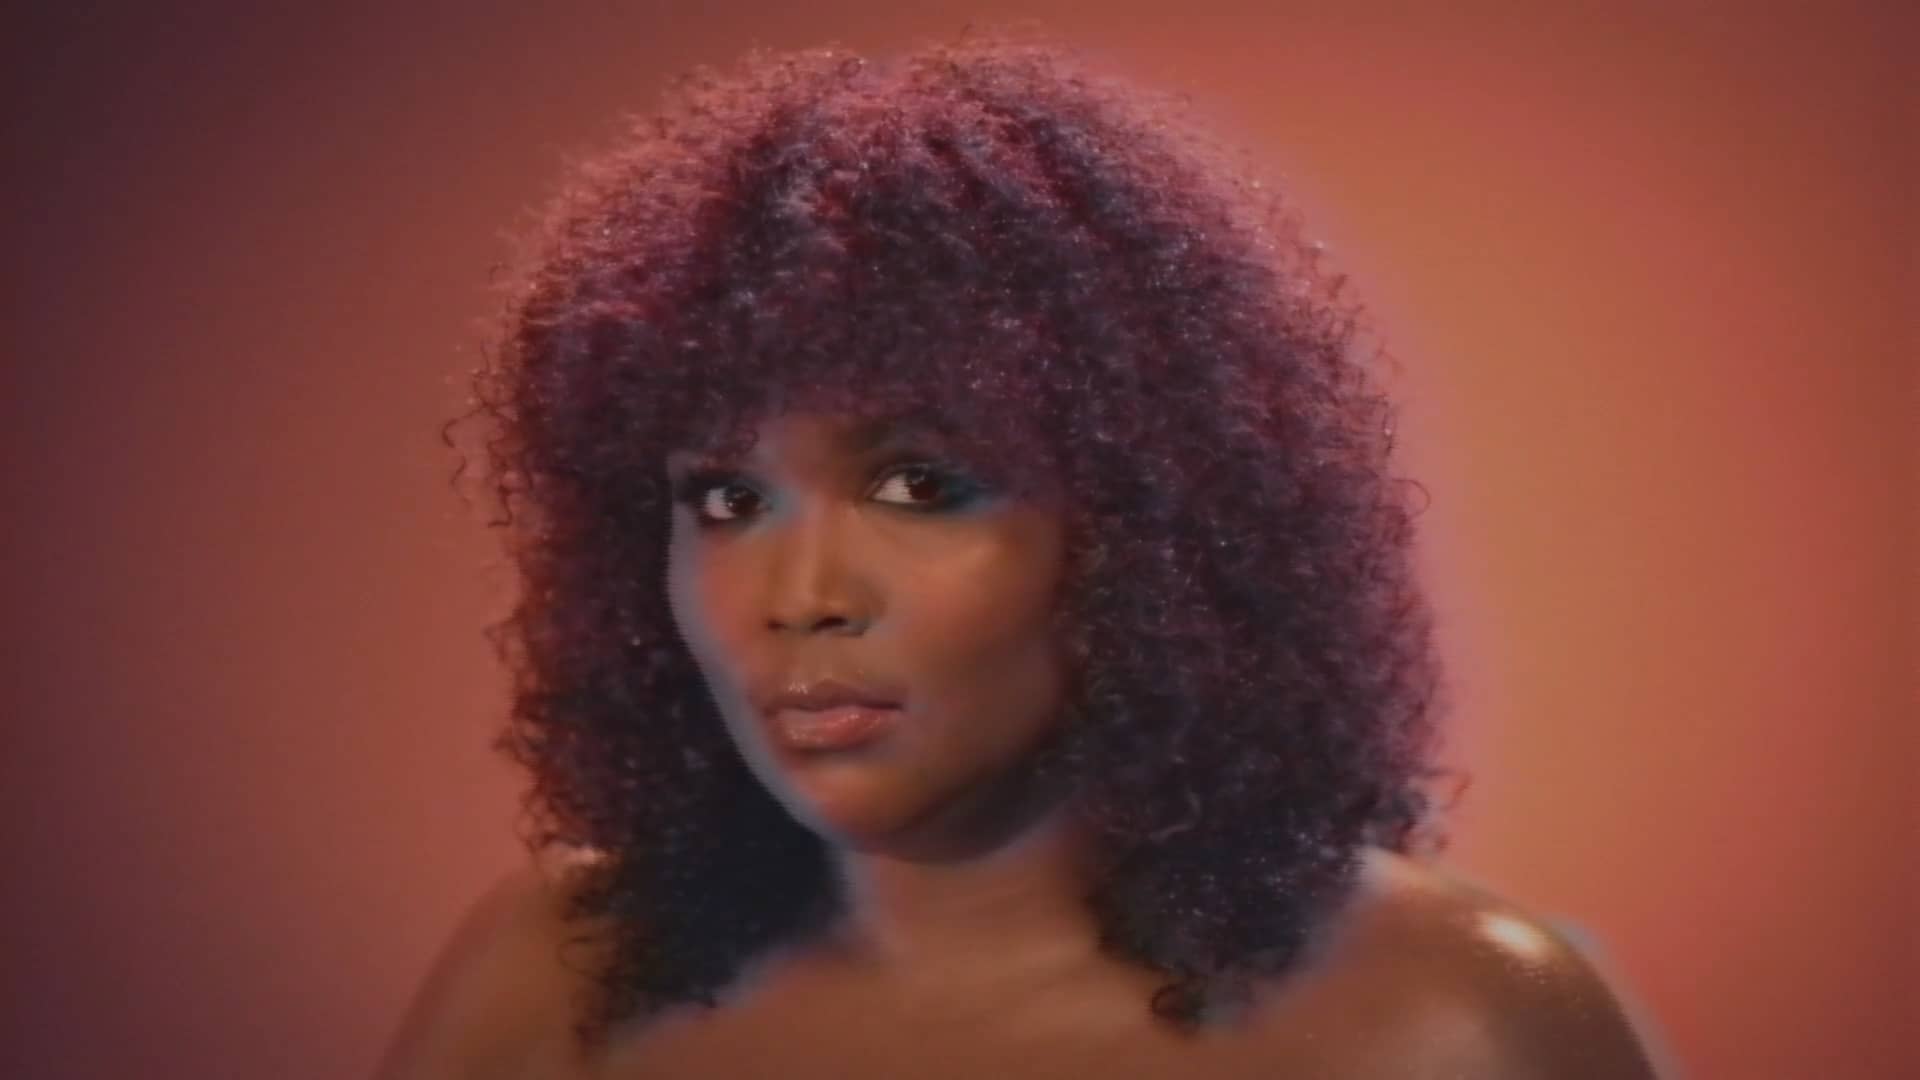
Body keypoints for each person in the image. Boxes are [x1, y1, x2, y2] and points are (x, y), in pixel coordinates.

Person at [378, 31, 1661, 1079]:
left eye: (919, 486)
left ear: (1150, 529)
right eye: (726, 499)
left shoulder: (1444, 1026)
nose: (799, 597)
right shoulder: (553, 984)